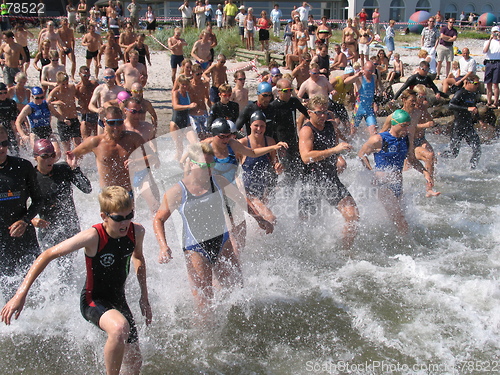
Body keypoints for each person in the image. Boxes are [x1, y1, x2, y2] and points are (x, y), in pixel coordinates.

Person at [1, 185, 152, 374]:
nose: (125, 223)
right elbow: (47, 255)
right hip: (93, 300)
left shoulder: (137, 232)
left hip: (118, 300)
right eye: (118, 218)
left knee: (135, 362)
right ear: (104, 216)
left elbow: (138, 257)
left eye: (129, 216)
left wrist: (144, 297)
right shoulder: (93, 236)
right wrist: (19, 295)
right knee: (120, 328)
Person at [154, 142, 272, 320]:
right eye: (204, 165)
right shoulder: (178, 191)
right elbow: (158, 219)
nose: (208, 169)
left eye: (212, 164)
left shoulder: (218, 181)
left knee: (237, 291)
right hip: (195, 249)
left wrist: (260, 219)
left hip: (222, 242)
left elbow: (242, 200)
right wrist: (163, 246)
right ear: (192, 163)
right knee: (205, 306)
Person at [298, 95, 358, 249]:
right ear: (310, 113)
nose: (323, 116)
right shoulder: (306, 130)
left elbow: (340, 144)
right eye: (319, 113)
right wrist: (334, 151)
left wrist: (346, 149)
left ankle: (345, 251)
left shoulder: (331, 126)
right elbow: (306, 157)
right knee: (305, 226)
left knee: (353, 215)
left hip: (330, 179)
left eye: (325, 112)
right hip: (311, 182)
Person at [358, 109, 432, 234]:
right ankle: (408, 246)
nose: (406, 129)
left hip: (397, 183)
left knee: (397, 216)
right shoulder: (379, 139)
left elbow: (412, 160)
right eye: (403, 126)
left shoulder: (407, 138)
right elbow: (361, 155)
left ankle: (386, 236)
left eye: (408, 125)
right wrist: (371, 172)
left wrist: (425, 172)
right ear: (394, 123)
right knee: (400, 219)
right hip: (382, 184)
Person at [0, 125, 42, 282]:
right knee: (8, 287)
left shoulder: (23, 167)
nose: (2, 148)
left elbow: (38, 200)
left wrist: (25, 220)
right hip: (1, 241)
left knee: (35, 284)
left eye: (5, 143)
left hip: (25, 234)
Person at [31, 138, 91, 249]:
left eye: (52, 155)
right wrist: (31, 220)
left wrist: (74, 167)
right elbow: (19, 204)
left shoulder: (63, 169)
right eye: (44, 156)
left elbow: (87, 189)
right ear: (35, 157)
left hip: (71, 228)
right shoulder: (31, 177)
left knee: (72, 265)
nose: (49, 160)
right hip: (48, 232)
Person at [67, 106, 144, 192]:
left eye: (119, 122)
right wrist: (74, 167)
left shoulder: (133, 138)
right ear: (104, 122)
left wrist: (138, 161)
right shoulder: (95, 142)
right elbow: (72, 155)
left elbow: (153, 158)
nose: (116, 127)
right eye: (111, 123)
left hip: (126, 192)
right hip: (106, 193)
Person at [238, 111, 280, 222]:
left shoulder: (270, 142)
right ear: (250, 125)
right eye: (256, 125)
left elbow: (274, 163)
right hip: (248, 191)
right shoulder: (242, 143)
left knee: (264, 223)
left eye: (262, 126)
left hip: (264, 189)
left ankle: (258, 239)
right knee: (271, 218)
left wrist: (278, 167)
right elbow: (232, 166)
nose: (259, 129)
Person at [269, 78, 309, 186]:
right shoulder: (273, 106)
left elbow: (307, 113)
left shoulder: (293, 102)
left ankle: (300, 190)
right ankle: (284, 191)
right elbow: (270, 128)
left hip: (294, 139)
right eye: (285, 91)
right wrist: (275, 145)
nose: (289, 93)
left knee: (301, 167)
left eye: (290, 90)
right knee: (288, 169)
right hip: (281, 142)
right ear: (278, 92)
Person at [440, 75, 481, 169]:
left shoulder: (473, 94)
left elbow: (474, 108)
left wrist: (480, 120)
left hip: (468, 126)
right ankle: (438, 157)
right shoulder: (460, 93)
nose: (477, 85)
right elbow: (451, 105)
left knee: (477, 148)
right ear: (467, 82)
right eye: (475, 83)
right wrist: (467, 108)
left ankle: (473, 169)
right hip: (458, 127)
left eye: (478, 83)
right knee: (454, 153)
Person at [47, 72, 82, 154]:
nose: (65, 86)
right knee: (67, 147)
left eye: (66, 83)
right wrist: (56, 102)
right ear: (58, 83)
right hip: (63, 120)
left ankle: (77, 164)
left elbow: (77, 95)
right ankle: (68, 164)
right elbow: (47, 102)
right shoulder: (55, 91)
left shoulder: (72, 87)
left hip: (74, 118)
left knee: (78, 144)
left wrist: (78, 104)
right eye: (63, 84)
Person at [352, 61, 378, 136]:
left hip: (369, 109)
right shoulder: (359, 78)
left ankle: (372, 146)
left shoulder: (374, 77)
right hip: (358, 108)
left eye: (372, 70)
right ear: (363, 69)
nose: (370, 73)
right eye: (368, 71)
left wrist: (375, 103)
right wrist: (356, 75)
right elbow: (346, 81)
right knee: (352, 132)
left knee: (374, 131)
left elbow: (373, 92)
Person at [188, 63, 211, 140]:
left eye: (201, 73)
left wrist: (211, 109)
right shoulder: (189, 85)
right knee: (197, 133)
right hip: (193, 113)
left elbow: (207, 98)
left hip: (203, 111)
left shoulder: (204, 84)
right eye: (197, 74)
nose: (200, 76)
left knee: (208, 133)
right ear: (193, 74)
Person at [76, 66, 99, 138]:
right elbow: (71, 98)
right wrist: (78, 104)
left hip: (95, 112)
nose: (87, 77)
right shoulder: (78, 87)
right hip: (85, 114)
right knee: (85, 137)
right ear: (80, 74)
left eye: (88, 75)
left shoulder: (94, 84)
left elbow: (102, 92)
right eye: (85, 75)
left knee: (97, 136)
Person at [483, 26, 500, 109]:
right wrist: (490, 39)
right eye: (494, 32)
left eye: (497, 32)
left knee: (495, 83)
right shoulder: (487, 42)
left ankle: (496, 102)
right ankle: (489, 101)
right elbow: (485, 51)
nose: (495, 34)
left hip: (497, 62)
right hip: (489, 62)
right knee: (488, 83)